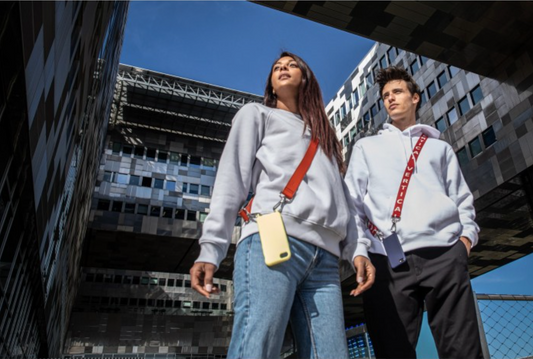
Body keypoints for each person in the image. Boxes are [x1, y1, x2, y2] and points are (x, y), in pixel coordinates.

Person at [189, 52, 372, 359]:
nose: (283, 69)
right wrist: (211, 248)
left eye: (291, 65)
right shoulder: (256, 115)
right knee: (257, 347)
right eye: (277, 68)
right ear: (271, 85)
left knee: (331, 354)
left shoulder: (325, 137)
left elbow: (345, 202)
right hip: (271, 239)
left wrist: (358, 249)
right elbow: (230, 180)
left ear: (306, 79)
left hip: (325, 260)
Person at [345, 66, 483, 358]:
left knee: (463, 351)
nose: (390, 99)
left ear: (415, 97)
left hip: (445, 254)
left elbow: (462, 199)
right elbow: (351, 204)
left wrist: (465, 242)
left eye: (397, 92)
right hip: (388, 258)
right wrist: (358, 251)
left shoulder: (439, 148)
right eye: (385, 96)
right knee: (392, 350)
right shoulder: (366, 147)